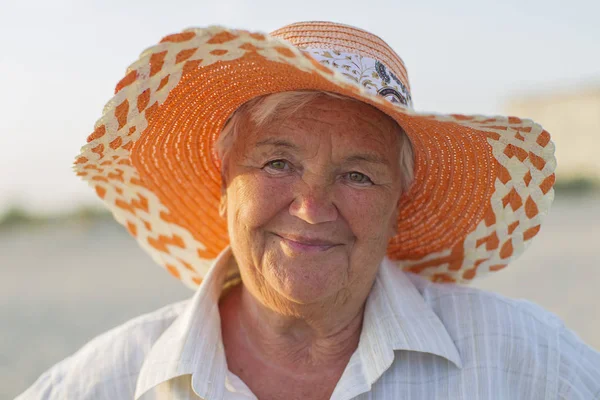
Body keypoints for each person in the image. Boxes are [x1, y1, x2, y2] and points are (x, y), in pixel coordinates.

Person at [18, 21, 600, 400]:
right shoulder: (104, 383)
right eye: (277, 164)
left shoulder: (524, 360)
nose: (313, 207)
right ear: (223, 181)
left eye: (358, 174)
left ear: (400, 202)